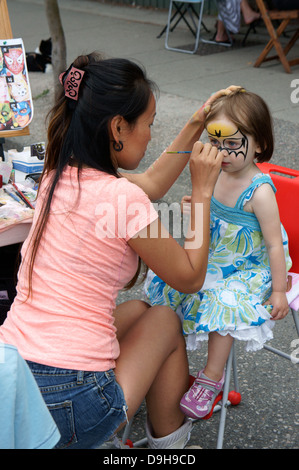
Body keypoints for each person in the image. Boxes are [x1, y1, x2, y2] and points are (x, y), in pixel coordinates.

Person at [0, 51, 236, 449]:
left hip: (14, 383)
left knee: (142, 311)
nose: (150, 134)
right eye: (149, 124)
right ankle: (170, 451)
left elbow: (150, 184)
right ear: (117, 128)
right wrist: (203, 190)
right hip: (73, 403)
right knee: (163, 319)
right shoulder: (122, 199)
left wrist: (196, 124)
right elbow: (190, 277)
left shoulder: (57, 176)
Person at [144, 88, 292, 420]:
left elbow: (273, 245)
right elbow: (209, 220)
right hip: (216, 256)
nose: (221, 151)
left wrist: (279, 290)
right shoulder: (218, 173)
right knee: (170, 282)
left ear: (260, 145)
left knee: (222, 301)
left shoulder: (261, 191)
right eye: (214, 141)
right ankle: (166, 368)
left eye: (231, 143)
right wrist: (196, 207)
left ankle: (211, 378)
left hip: (251, 267)